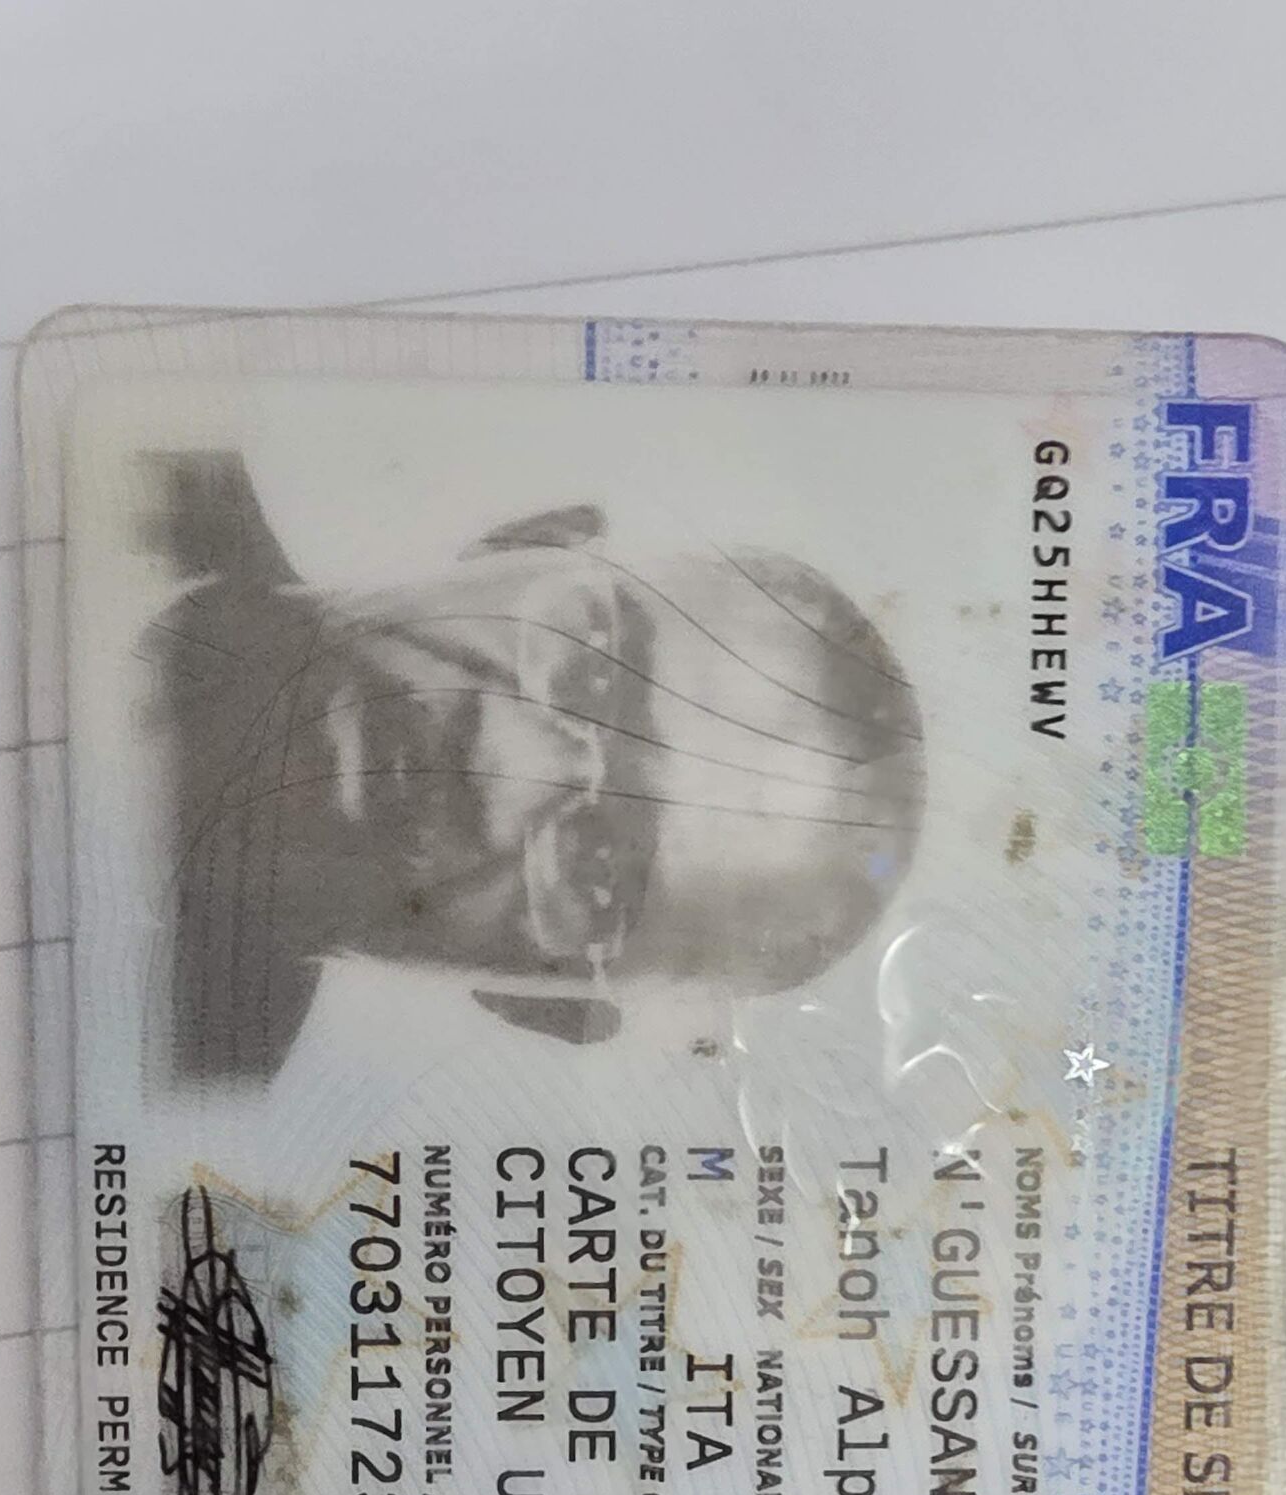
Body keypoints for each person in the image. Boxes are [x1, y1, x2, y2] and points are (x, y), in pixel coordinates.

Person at [138, 450, 927, 1083]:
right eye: (591, 671)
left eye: (597, 865)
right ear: (531, 538)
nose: (501, 769)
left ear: (542, 1003)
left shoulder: (182, 1094)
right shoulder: (146, 473)